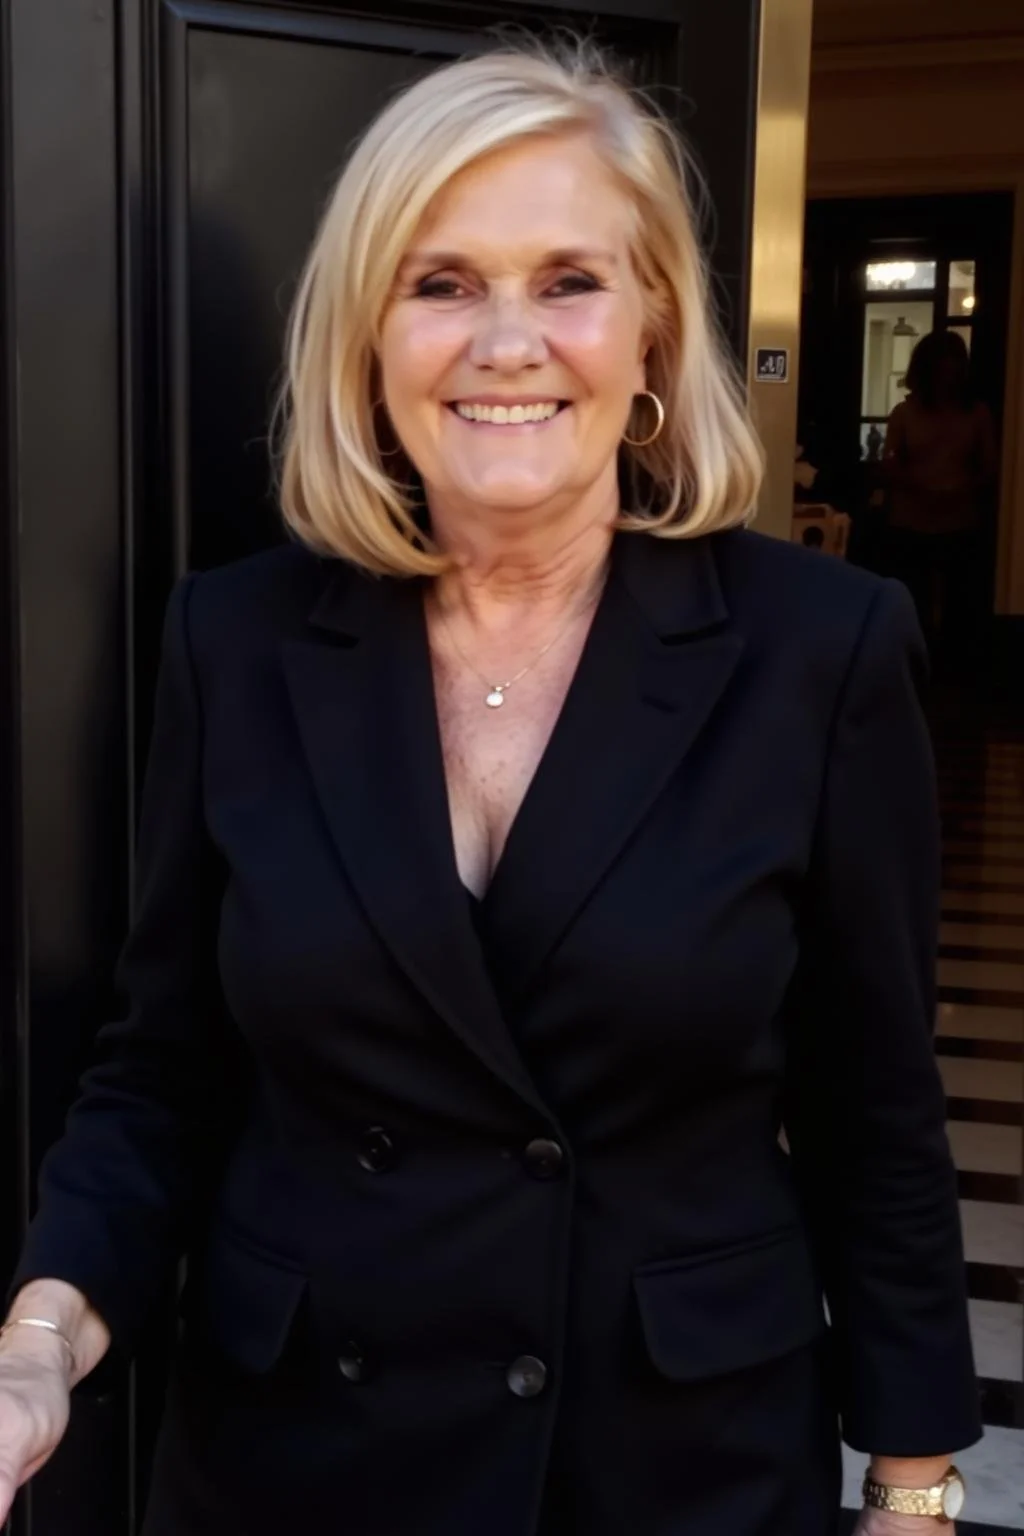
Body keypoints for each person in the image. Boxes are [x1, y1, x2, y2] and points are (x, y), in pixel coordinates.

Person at [0, 40, 980, 1536]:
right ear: (367, 338)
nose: (507, 342)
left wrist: (913, 1489)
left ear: (652, 330)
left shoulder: (820, 650)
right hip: (295, 1465)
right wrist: (44, 1332)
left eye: (569, 281)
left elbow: (877, 1112)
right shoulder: (240, 640)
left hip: (673, 1469)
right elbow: (162, 1074)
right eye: (442, 283)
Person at [883, 329, 998, 666]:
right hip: (910, 518)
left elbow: (990, 467)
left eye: (955, 366)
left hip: (960, 518)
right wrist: (918, 486)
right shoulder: (904, 413)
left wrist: (961, 489)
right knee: (912, 596)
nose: (949, 374)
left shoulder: (977, 414)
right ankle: (914, 659)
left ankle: (955, 663)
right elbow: (890, 462)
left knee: (959, 599)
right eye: (943, 366)